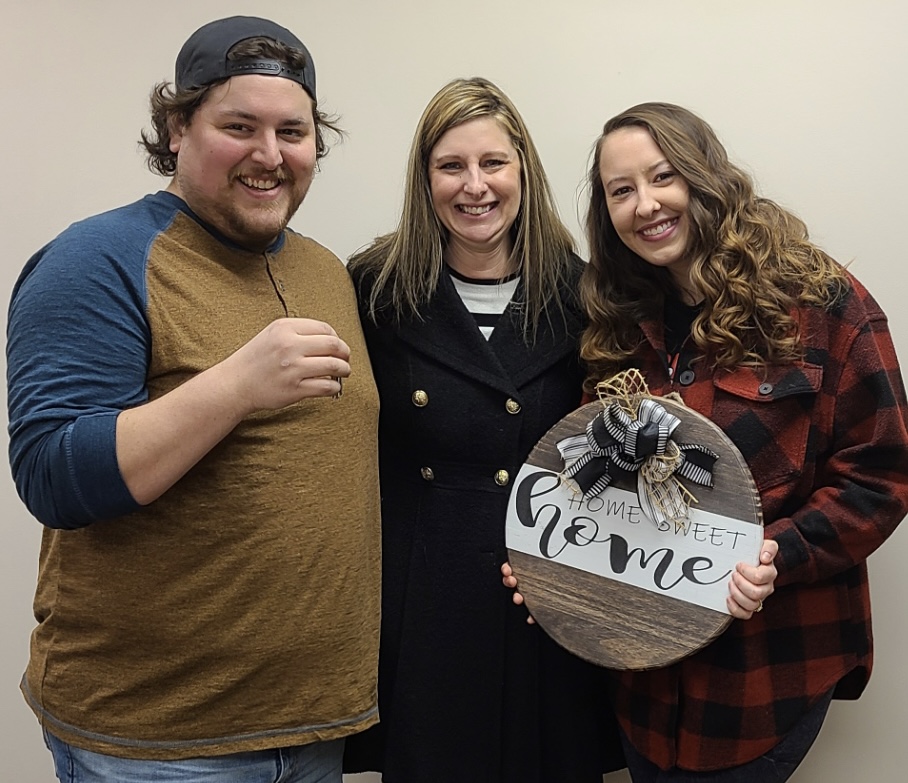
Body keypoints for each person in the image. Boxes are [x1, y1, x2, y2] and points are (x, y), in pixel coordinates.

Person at [6, 16, 380, 783]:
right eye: (238, 126)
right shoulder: (96, 258)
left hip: (316, 726)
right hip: (157, 743)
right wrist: (237, 385)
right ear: (178, 127)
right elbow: (53, 476)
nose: (269, 155)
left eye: (293, 131)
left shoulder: (326, 272)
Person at [578, 101, 908, 780]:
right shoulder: (615, 327)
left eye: (662, 176)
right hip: (640, 685)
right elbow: (592, 480)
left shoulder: (822, 303)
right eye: (621, 190)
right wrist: (552, 551)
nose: (645, 204)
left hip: (763, 678)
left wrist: (778, 553)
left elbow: (882, 474)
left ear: (704, 176)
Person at [341, 77, 625, 783]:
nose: (475, 186)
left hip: (550, 606)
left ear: (523, 168)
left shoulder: (588, 294)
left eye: (493, 163)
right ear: (424, 179)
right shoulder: (374, 291)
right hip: (427, 604)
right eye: (451, 166)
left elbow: (617, 451)